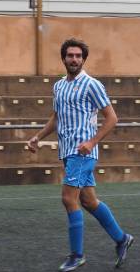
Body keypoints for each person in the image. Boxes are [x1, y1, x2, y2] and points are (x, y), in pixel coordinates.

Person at [27, 38, 133, 272]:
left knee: (68, 198)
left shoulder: (92, 85)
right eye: (70, 55)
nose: (74, 59)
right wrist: (38, 136)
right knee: (88, 200)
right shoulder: (58, 86)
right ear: (63, 58)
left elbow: (112, 118)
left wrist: (91, 142)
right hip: (67, 152)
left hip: (82, 152)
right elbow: (56, 118)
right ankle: (122, 239)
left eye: (78, 56)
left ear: (83, 59)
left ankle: (77, 255)